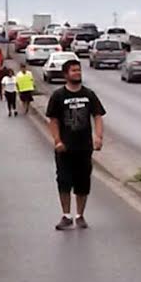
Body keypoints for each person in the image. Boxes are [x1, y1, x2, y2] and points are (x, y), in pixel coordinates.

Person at [46, 59, 105, 230]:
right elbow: (53, 120)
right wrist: (57, 140)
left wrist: (98, 137)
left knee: (83, 182)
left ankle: (80, 215)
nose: (77, 73)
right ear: (66, 74)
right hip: (65, 147)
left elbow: (98, 116)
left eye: (78, 70)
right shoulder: (58, 96)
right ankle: (66, 215)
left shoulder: (89, 94)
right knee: (64, 181)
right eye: (73, 71)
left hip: (84, 147)